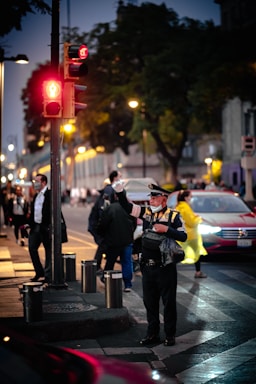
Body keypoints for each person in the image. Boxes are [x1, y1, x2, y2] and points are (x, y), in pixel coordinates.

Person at [113, 182, 187, 347]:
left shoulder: (174, 216)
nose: (151, 200)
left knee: (168, 302)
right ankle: (152, 334)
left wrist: (166, 229)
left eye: (155, 197)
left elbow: (183, 236)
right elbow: (127, 207)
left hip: (165, 267)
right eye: (151, 197)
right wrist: (120, 191)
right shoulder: (146, 214)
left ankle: (170, 335)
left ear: (164, 199)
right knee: (150, 302)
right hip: (148, 267)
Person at [97, 195, 136, 292]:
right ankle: (127, 285)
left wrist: (104, 236)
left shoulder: (110, 208)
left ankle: (107, 280)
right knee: (127, 262)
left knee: (110, 262)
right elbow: (134, 223)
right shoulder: (130, 208)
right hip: (127, 240)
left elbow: (102, 225)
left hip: (113, 240)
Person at [88, 170, 122, 273]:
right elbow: (103, 209)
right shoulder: (109, 190)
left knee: (104, 245)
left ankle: (98, 266)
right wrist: (106, 225)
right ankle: (98, 267)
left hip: (101, 224)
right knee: (104, 244)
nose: (121, 179)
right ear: (115, 178)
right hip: (100, 224)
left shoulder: (111, 190)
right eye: (120, 177)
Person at [26, 174, 52, 284]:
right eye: (34, 181)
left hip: (45, 227)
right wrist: (29, 224)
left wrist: (48, 226)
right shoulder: (36, 196)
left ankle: (48, 275)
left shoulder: (49, 194)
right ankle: (39, 271)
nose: (35, 183)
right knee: (32, 248)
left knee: (48, 251)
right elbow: (34, 211)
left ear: (44, 182)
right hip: (36, 226)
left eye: (37, 181)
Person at [176, 189, 207, 278]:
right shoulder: (185, 207)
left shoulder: (178, 206)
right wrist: (199, 219)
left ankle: (167, 269)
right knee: (196, 253)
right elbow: (191, 222)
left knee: (178, 253)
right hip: (191, 235)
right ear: (186, 198)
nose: (191, 198)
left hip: (182, 234)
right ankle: (198, 272)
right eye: (190, 196)